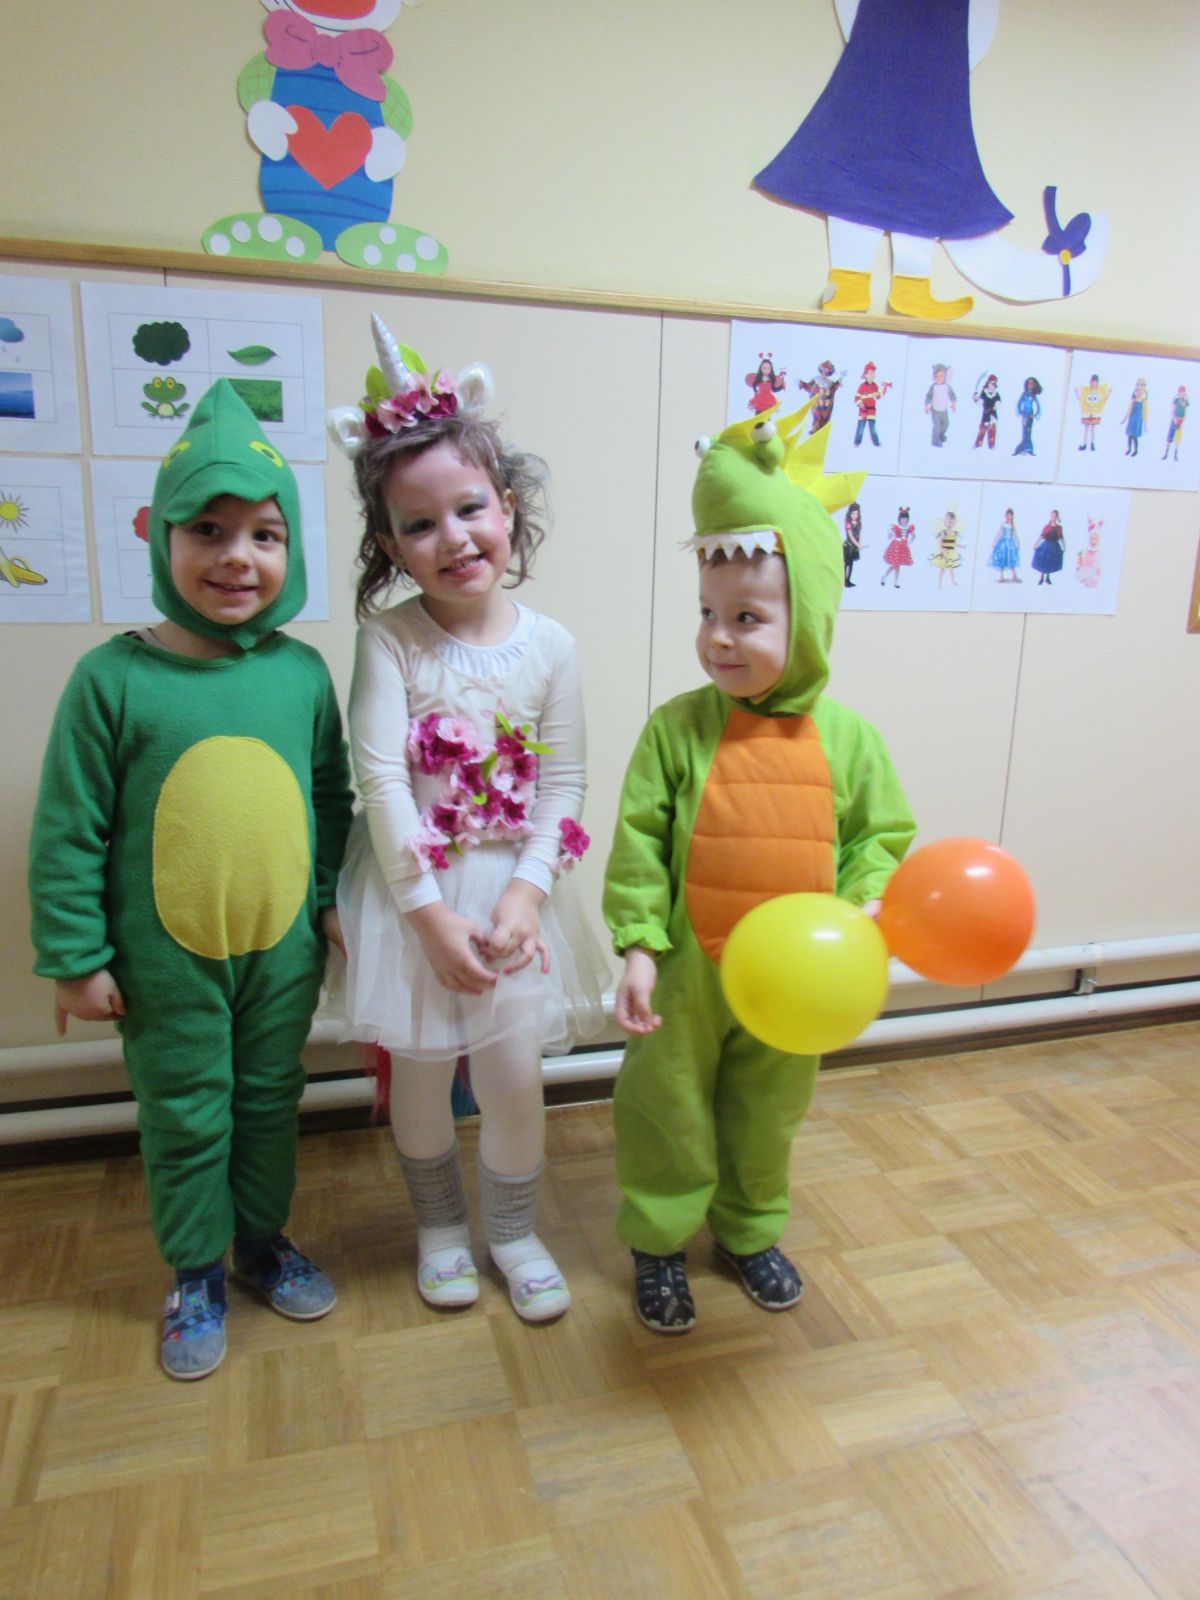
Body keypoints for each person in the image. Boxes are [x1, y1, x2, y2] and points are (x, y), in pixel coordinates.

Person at [29, 381, 354, 1380]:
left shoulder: (302, 674)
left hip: (279, 954)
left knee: (268, 1102)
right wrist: (74, 957)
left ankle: (260, 1241)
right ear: (159, 539)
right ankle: (194, 1271)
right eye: (207, 530)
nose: (236, 556)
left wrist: (329, 903)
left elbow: (329, 798)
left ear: (292, 549)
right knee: (186, 1114)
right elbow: (69, 827)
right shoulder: (113, 680)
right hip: (163, 966)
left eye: (264, 534)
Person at [603, 408, 914, 1332]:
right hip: (687, 974)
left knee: (768, 1111)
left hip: (795, 983)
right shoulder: (675, 730)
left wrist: (864, 902)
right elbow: (638, 842)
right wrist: (638, 945)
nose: (720, 638)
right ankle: (659, 1239)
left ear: (808, 618)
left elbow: (881, 836)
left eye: (748, 618)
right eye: (707, 614)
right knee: (665, 1105)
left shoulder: (851, 739)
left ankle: (747, 1228)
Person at [327, 316, 607, 1325]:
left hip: (512, 895)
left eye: (470, 508)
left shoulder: (552, 645)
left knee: (514, 1078)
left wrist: (527, 895)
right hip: (417, 897)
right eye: (419, 525)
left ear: (508, 506)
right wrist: (428, 917)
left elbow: (564, 784)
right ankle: (441, 1229)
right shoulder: (388, 640)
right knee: (418, 1075)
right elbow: (381, 781)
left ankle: (516, 1232)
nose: (452, 538)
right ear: (389, 545)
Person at [852, 362, 891, 446]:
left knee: (872, 428)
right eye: (870, 373)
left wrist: (885, 388)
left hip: (871, 411)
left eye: (873, 373)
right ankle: (857, 442)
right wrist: (860, 403)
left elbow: (879, 396)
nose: (872, 375)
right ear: (866, 375)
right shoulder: (862, 386)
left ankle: (876, 442)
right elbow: (856, 398)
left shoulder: (875, 386)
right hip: (863, 411)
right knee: (860, 427)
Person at [881, 505, 914, 588]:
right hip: (896, 546)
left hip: (903, 547)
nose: (904, 520)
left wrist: (908, 542)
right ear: (899, 519)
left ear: (908, 519)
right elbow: (890, 536)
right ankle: (886, 577)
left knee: (897, 565)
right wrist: (889, 532)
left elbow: (913, 536)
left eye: (905, 518)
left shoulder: (909, 528)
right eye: (902, 518)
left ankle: (894, 581)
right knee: (895, 564)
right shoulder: (897, 527)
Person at [931, 508, 964, 588]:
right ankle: (939, 584)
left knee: (951, 567)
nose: (950, 524)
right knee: (943, 569)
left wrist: (962, 546)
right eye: (949, 522)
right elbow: (940, 542)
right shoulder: (943, 532)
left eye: (952, 522)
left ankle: (953, 580)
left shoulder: (954, 533)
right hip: (945, 552)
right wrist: (941, 550)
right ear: (945, 522)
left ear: (954, 523)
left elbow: (954, 543)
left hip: (951, 552)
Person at [925, 363, 956, 447]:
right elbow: (928, 396)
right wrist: (926, 405)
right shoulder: (933, 387)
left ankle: (940, 434)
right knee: (937, 426)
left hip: (943, 410)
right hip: (935, 410)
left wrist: (953, 403)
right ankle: (935, 441)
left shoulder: (947, 387)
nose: (938, 378)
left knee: (946, 424)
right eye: (936, 376)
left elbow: (952, 395)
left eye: (941, 376)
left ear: (945, 376)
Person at [1032, 509, 1065, 585]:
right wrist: (1036, 544)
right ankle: (1041, 577)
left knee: (1050, 562)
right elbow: (1041, 536)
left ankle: (1048, 577)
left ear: (1057, 517)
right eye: (1052, 516)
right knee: (1044, 561)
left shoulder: (1059, 528)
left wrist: (1064, 546)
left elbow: (1061, 537)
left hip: (1054, 546)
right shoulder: (1047, 527)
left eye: (1054, 516)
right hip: (1046, 546)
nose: (1053, 517)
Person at [988, 507, 1020, 582]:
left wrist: (1018, 542)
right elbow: (999, 533)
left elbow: (1015, 534)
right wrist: (994, 542)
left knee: (1011, 559)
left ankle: (1014, 576)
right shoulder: (1003, 524)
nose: (1008, 517)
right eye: (1007, 515)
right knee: (1002, 559)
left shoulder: (1012, 525)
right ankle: (1001, 576)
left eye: (1010, 515)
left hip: (1010, 544)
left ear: (1012, 516)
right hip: (1003, 544)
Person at [1013, 376, 1043, 456]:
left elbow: (1038, 405)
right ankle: (1023, 448)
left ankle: (1028, 448)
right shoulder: (1024, 394)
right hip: (1024, 414)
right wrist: (1020, 411)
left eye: (1032, 383)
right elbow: (1019, 403)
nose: (1030, 385)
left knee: (1029, 431)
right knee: (1024, 431)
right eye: (1029, 383)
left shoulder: (1033, 395)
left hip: (1030, 415)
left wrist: (1036, 414)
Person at [973, 374, 1001, 449]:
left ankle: (991, 445)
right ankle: (978, 443)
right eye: (991, 383)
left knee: (992, 430)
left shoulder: (996, 394)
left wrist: (996, 405)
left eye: (993, 384)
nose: (992, 385)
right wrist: (976, 399)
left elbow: (998, 401)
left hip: (993, 415)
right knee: (983, 429)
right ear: (988, 383)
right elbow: (980, 402)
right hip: (986, 415)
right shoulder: (984, 393)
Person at [1123, 378, 1148, 456]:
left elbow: (1145, 413)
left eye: (1141, 385)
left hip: (1138, 420)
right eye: (1138, 385)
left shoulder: (1144, 400)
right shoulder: (1133, 398)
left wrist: (1145, 424)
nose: (1139, 387)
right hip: (1132, 419)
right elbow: (1129, 408)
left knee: (1135, 437)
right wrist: (1125, 418)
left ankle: (1135, 450)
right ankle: (1129, 449)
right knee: (1129, 436)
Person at [1163, 385, 1189, 461]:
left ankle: (1175, 455)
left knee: (1177, 439)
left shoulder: (1186, 402)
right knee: (1169, 438)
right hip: (1174, 421)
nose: (1182, 394)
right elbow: (1172, 411)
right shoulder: (1176, 400)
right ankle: (1166, 454)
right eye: (1181, 392)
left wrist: (1182, 421)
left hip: (1180, 422)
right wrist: (1175, 419)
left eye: (1183, 392)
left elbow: (1185, 412)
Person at [843, 500, 864, 585]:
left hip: (854, 547)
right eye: (853, 514)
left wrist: (859, 545)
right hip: (848, 546)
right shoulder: (848, 523)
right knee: (847, 563)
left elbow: (859, 535)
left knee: (851, 564)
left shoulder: (859, 523)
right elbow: (851, 536)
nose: (854, 515)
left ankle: (848, 580)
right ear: (849, 514)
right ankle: (844, 579)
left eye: (856, 514)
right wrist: (857, 544)